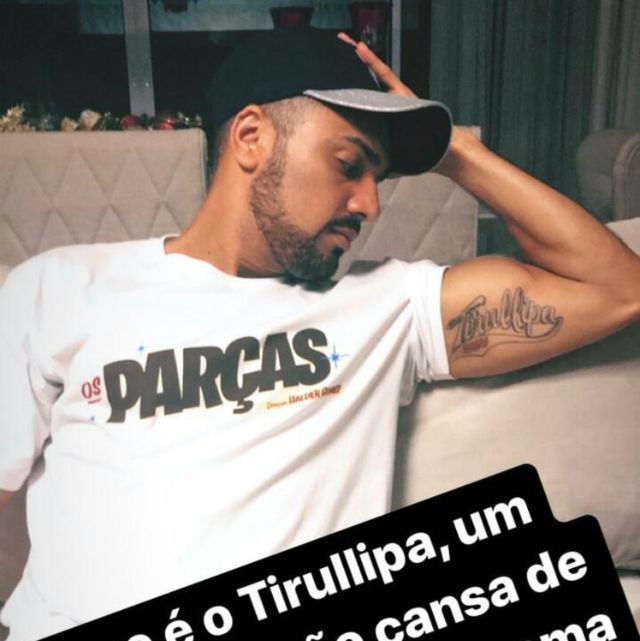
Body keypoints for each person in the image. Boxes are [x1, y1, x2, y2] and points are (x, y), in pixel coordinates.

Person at [0, 28, 638, 641]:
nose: (370, 204)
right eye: (349, 165)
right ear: (251, 137)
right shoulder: (58, 288)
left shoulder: (388, 303)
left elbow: (620, 289)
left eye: (379, 178)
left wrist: (453, 153)